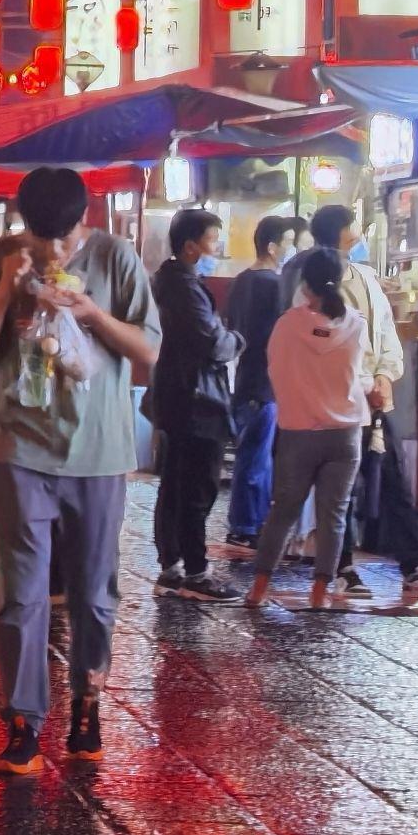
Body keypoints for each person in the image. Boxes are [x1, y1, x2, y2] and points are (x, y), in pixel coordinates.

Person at [0, 168, 159, 777]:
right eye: (40, 236)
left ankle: (87, 706)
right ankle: (22, 722)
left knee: (95, 592)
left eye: (62, 236)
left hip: (99, 453)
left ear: (84, 217)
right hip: (19, 448)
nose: (52, 249)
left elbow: (149, 350)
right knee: (19, 594)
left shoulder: (116, 256)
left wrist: (91, 311)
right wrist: (4, 289)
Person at [279, 204, 418, 594]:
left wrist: (385, 376)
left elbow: (385, 333)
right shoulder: (312, 285)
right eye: (355, 225)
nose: (359, 231)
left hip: (374, 399)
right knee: (339, 491)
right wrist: (364, 383)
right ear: (343, 231)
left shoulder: (367, 277)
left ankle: (415, 566)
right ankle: (338, 568)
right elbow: (322, 344)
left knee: (394, 479)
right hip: (340, 402)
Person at [244, 250, 368, 597]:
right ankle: (319, 590)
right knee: (335, 515)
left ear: (304, 283)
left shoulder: (288, 324)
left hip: (298, 432)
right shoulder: (356, 324)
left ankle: (258, 588)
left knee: (283, 510)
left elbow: (276, 370)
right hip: (345, 433)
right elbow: (358, 375)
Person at [149, 208, 243, 600]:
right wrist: (236, 339)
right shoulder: (183, 287)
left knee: (176, 483)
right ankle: (196, 570)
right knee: (196, 487)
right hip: (196, 399)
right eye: (211, 241)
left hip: (180, 395)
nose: (215, 249)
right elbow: (213, 342)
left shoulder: (174, 281)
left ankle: (173, 565)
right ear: (191, 247)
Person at [222, 214, 293, 549]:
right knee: (256, 457)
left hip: (244, 375)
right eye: (289, 243)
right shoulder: (274, 285)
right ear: (272, 246)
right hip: (265, 380)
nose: (291, 249)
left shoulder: (241, 280)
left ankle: (247, 524)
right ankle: (246, 526)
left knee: (250, 454)